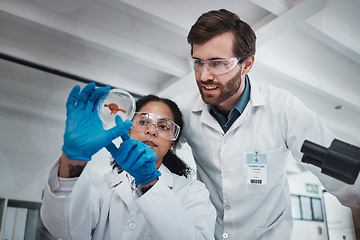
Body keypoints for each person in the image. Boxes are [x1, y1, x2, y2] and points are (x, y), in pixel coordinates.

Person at [175, 9, 360, 240]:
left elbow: (353, 183)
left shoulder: (284, 109)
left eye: (218, 63)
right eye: (198, 62)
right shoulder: (182, 110)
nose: (204, 76)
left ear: (247, 64)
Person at [40, 82, 216, 240]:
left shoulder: (192, 192)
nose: (152, 131)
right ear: (128, 128)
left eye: (163, 126)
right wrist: (74, 158)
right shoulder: (104, 189)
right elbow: (64, 229)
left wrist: (150, 183)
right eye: (143, 122)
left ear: (173, 142)